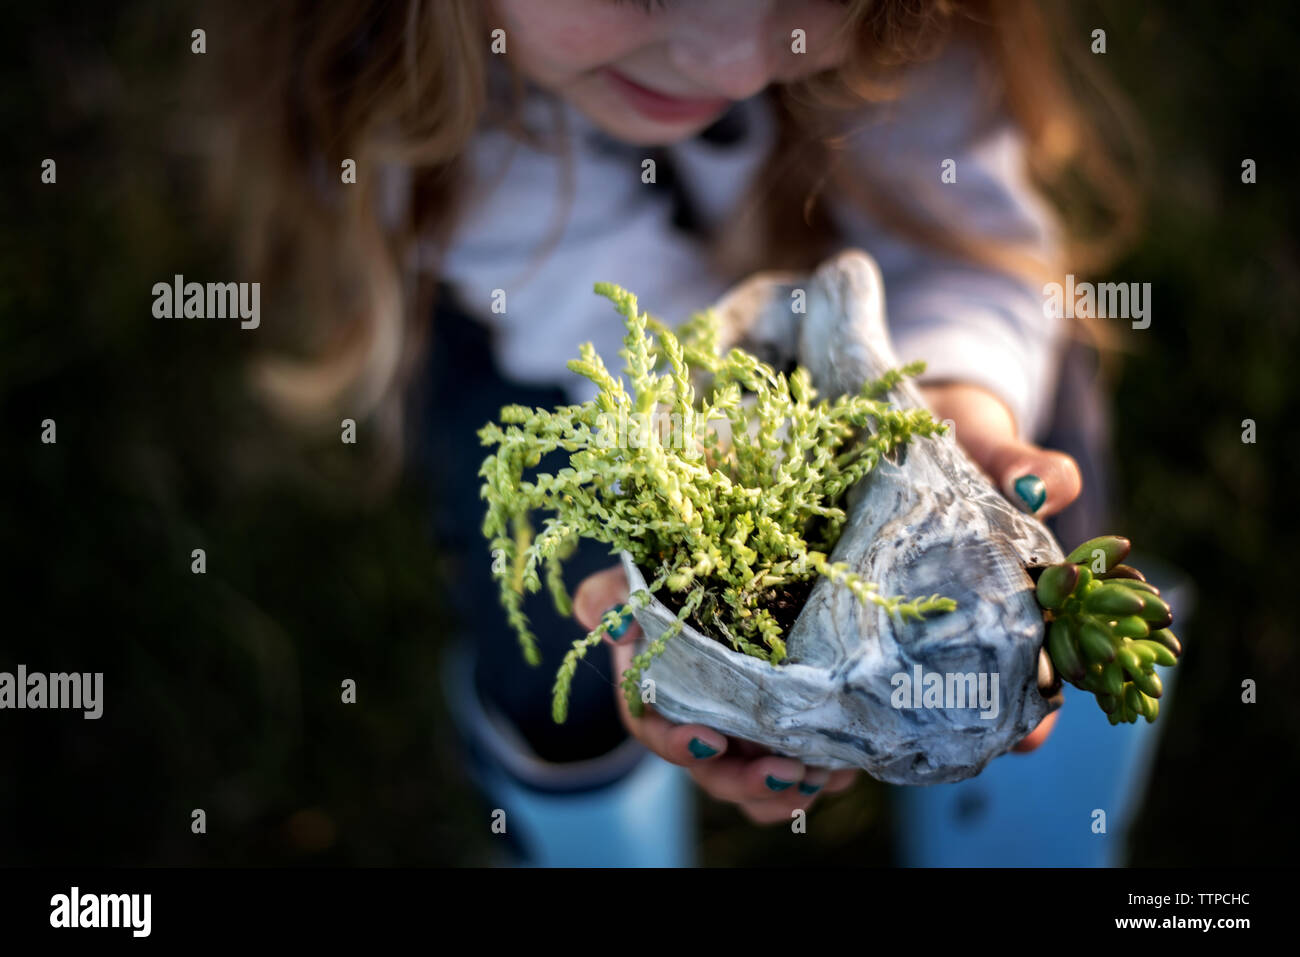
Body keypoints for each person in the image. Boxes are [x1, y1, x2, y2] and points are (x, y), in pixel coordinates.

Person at [210, 0, 1138, 865]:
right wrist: (706, 549)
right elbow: (626, 329)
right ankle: (595, 821)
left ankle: (1026, 834)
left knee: (1044, 526)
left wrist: (956, 404)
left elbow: (963, 246)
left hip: (883, 361)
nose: (729, 61)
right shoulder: (434, 83)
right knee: (557, 622)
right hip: (582, 361)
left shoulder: (920, 31)